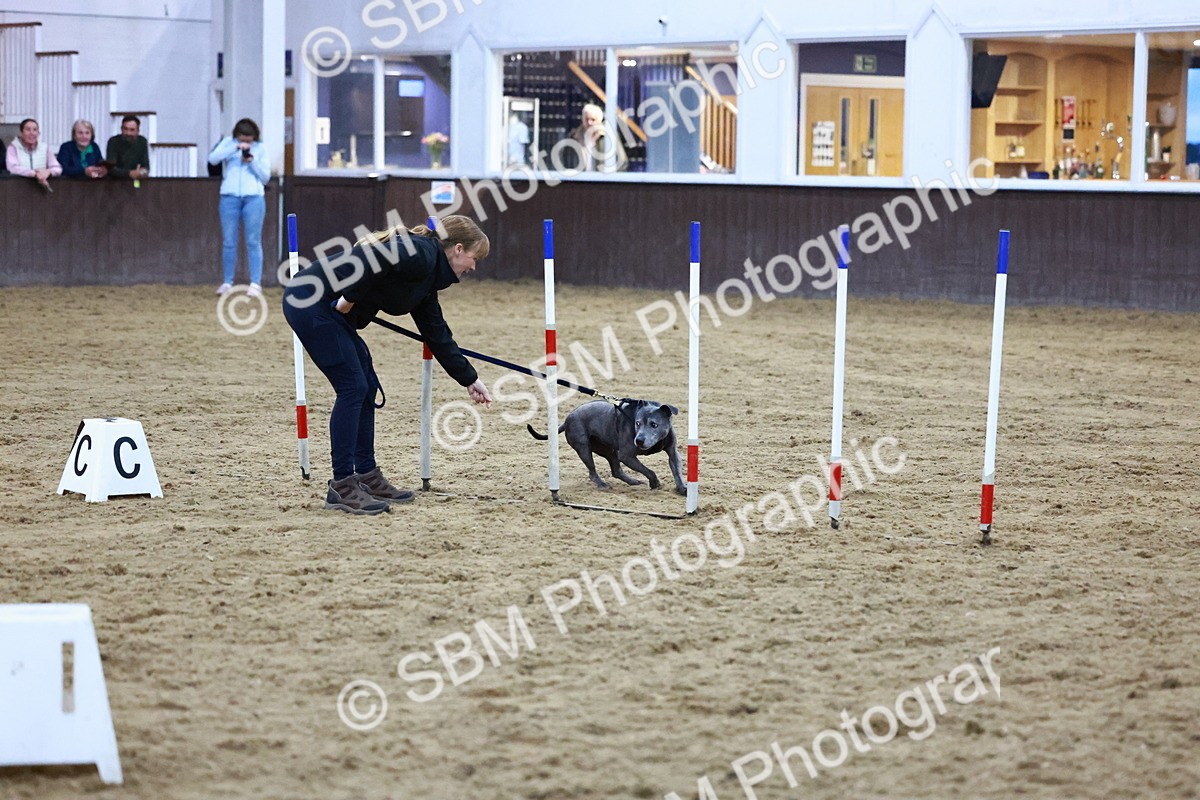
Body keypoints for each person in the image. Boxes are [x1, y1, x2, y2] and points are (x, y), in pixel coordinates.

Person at [282, 215, 494, 515]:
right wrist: (348, 299)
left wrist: (469, 379)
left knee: (366, 385)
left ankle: (366, 475)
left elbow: (437, 332)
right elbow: (374, 258)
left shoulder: (426, 278)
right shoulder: (420, 252)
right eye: (474, 259)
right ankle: (342, 486)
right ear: (458, 249)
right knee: (353, 386)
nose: (473, 267)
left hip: (326, 307)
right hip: (309, 300)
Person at [207, 118, 271, 297]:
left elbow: (265, 176)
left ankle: (255, 283)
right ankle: (228, 281)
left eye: (248, 141)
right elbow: (213, 159)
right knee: (228, 241)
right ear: (236, 137)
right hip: (229, 197)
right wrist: (233, 149)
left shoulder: (261, 148)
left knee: (253, 240)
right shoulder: (228, 143)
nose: (245, 144)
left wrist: (252, 161)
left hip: (254, 197)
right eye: (242, 140)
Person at [567, 103, 628, 172]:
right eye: (587, 119)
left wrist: (610, 179)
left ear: (599, 121)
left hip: (601, 180)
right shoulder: (575, 137)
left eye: (593, 120)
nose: (589, 122)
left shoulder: (608, 137)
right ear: (582, 119)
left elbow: (622, 161)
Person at [6, 118, 62, 190]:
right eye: (28, 130)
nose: (32, 133)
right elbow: (13, 168)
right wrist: (34, 174)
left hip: (41, 190)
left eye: (35, 130)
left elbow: (57, 168)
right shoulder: (13, 148)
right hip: (18, 189)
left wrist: (48, 172)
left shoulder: (45, 148)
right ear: (21, 133)